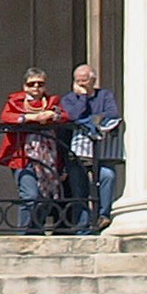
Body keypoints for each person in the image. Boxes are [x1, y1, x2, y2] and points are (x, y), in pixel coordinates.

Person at [0, 69, 68, 233]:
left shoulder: (52, 102)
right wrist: (31, 118)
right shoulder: (15, 101)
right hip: (22, 156)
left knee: (44, 198)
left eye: (40, 84)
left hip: (47, 157)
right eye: (31, 84)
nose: (35, 87)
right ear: (25, 86)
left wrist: (52, 115)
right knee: (30, 196)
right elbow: (6, 117)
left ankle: (37, 231)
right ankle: (24, 233)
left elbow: (64, 116)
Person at [59, 62, 122, 230]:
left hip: (101, 149)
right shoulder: (69, 99)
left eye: (84, 80)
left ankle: (103, 215)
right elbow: (72, 115)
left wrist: (88, 122)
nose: (81, 83)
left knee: (107, 175)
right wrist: (82, 98)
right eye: (77, 80)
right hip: (77, 150)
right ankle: (82, 227)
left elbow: (111, 114)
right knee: (80, 188)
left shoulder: (105, 95)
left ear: (93, 80)